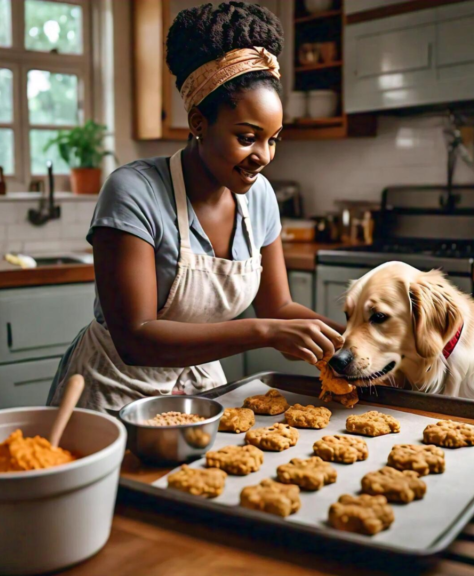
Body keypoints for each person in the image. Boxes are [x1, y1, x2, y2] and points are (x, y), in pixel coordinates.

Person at [48, 1, 343, 411]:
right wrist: (264, 332)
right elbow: (136, 338)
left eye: (272, 139)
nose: (264, 156)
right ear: (199, 123)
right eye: (247, 137)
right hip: (113, 394)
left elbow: (278, 308)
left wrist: (354, 342)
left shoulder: (259, 198)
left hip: (202, 394)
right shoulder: (134, 191)